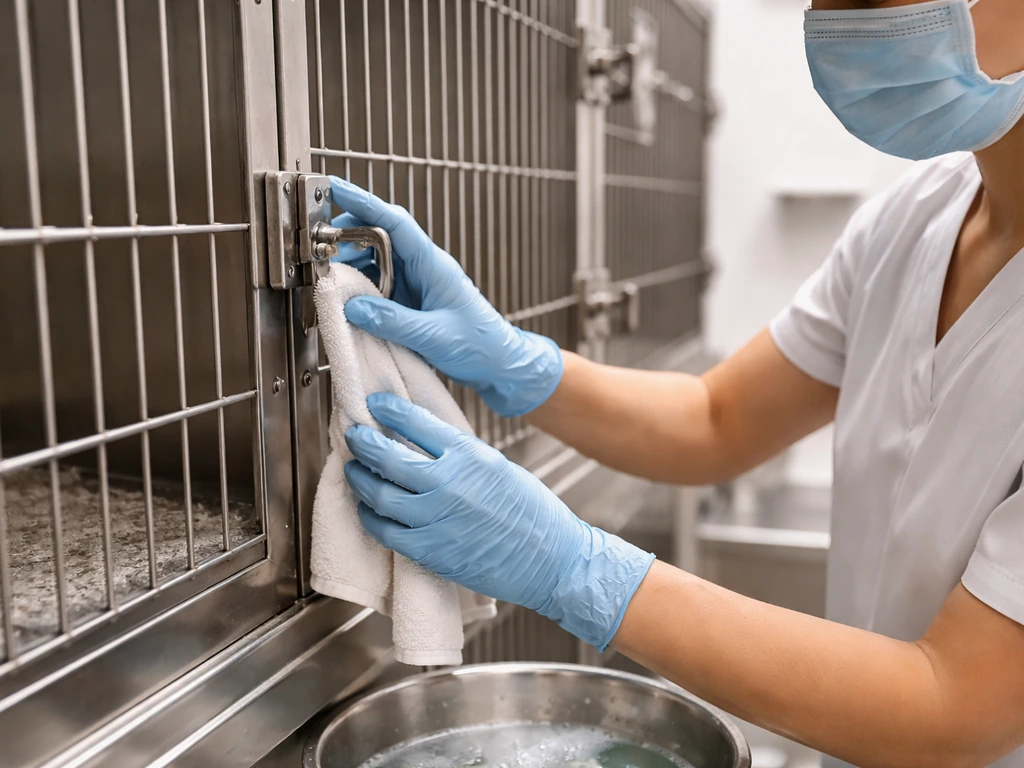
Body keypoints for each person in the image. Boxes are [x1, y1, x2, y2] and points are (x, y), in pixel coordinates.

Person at [329, 0, 1024, 764]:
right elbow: (718, 418)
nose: (839, 18)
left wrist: (572, 568)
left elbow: (955, 704)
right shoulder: (913, 218)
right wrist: (516, 363)